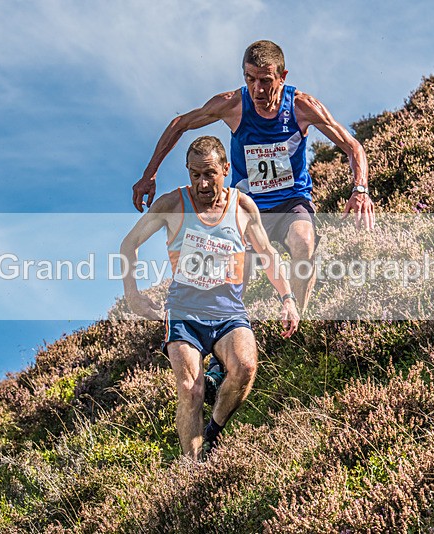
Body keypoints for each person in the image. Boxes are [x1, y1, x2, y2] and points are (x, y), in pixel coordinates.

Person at [132, 39, 375, 314]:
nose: (257, 89)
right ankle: (230, 333)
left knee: (304, 242)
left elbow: (352, 146)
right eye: (250, 79)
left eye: (265, 80)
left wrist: (361, 189)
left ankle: (298, 319)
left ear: (282, 77)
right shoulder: (233, 104)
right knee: (237, 272)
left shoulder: (301, 107)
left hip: (291, 201)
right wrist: (149, 174)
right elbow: (181, 124)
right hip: (246, 205)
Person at [121, 136, 300, 460]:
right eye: (194, 174)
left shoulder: (243, 206)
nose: (202, 183)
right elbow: (129, 244)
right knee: (191, 390)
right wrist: (132, 295)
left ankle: (213, 433)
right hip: (184, 313)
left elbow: (268, 253)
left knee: (245, 368)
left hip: (228, 311)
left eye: (210, 174)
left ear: (226, 169)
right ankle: (192, 471)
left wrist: (287, 297)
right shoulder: (171, 205)